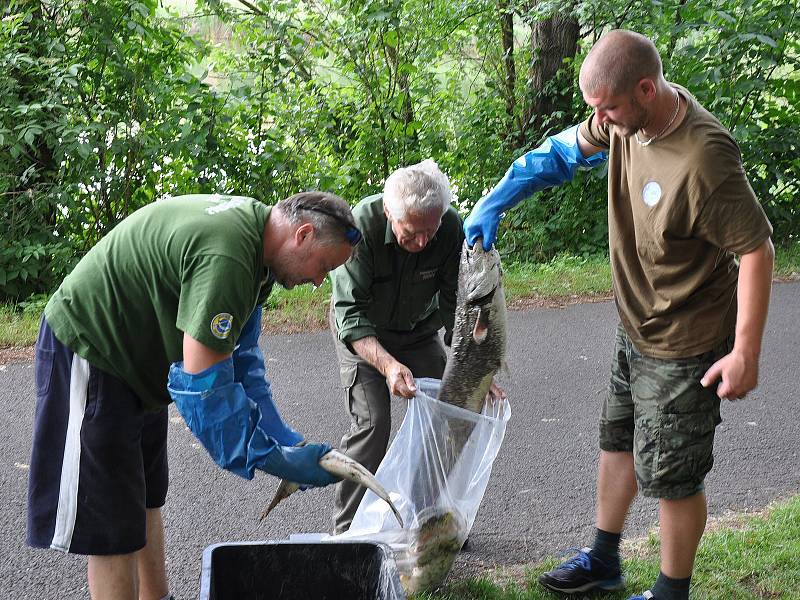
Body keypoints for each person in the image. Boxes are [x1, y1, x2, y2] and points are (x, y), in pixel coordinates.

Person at [464, 30, 774, 600]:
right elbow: (560, 153)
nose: (599, 120)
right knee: (619, 441)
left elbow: (756, 249)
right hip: (635, 326)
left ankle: (669, 593)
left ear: (646, 90)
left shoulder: (704, 156)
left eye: (606, 107)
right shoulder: (621, 120)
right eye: (594, 110)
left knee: (673, 475)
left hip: (686, 339)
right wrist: (496, 198)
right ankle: (604, 559)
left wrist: (745, 351)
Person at [27, 191, 361, 600]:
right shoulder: (230, 256)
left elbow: (244, 360)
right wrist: (271, 458)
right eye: (324, 266)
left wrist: (285, 438)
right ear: (304, 234)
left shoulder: (260, 248)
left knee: (146, 497)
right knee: (112, 526)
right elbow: (205, 390)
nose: (318, 281)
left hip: (144, 369)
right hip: (95, 349)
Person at [329, 159, 502, 534]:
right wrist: (389, 366)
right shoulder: (362, 228)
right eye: (412, 232)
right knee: (373, 426)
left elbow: (458, 304)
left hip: (419, 331)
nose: (423, 241)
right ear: (390, 212)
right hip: (363, 333)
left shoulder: (451, 227)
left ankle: (427, 519)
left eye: (431, 230)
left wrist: (474, 371)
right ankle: (348, 533)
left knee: (453, 412)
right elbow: (350, 314)